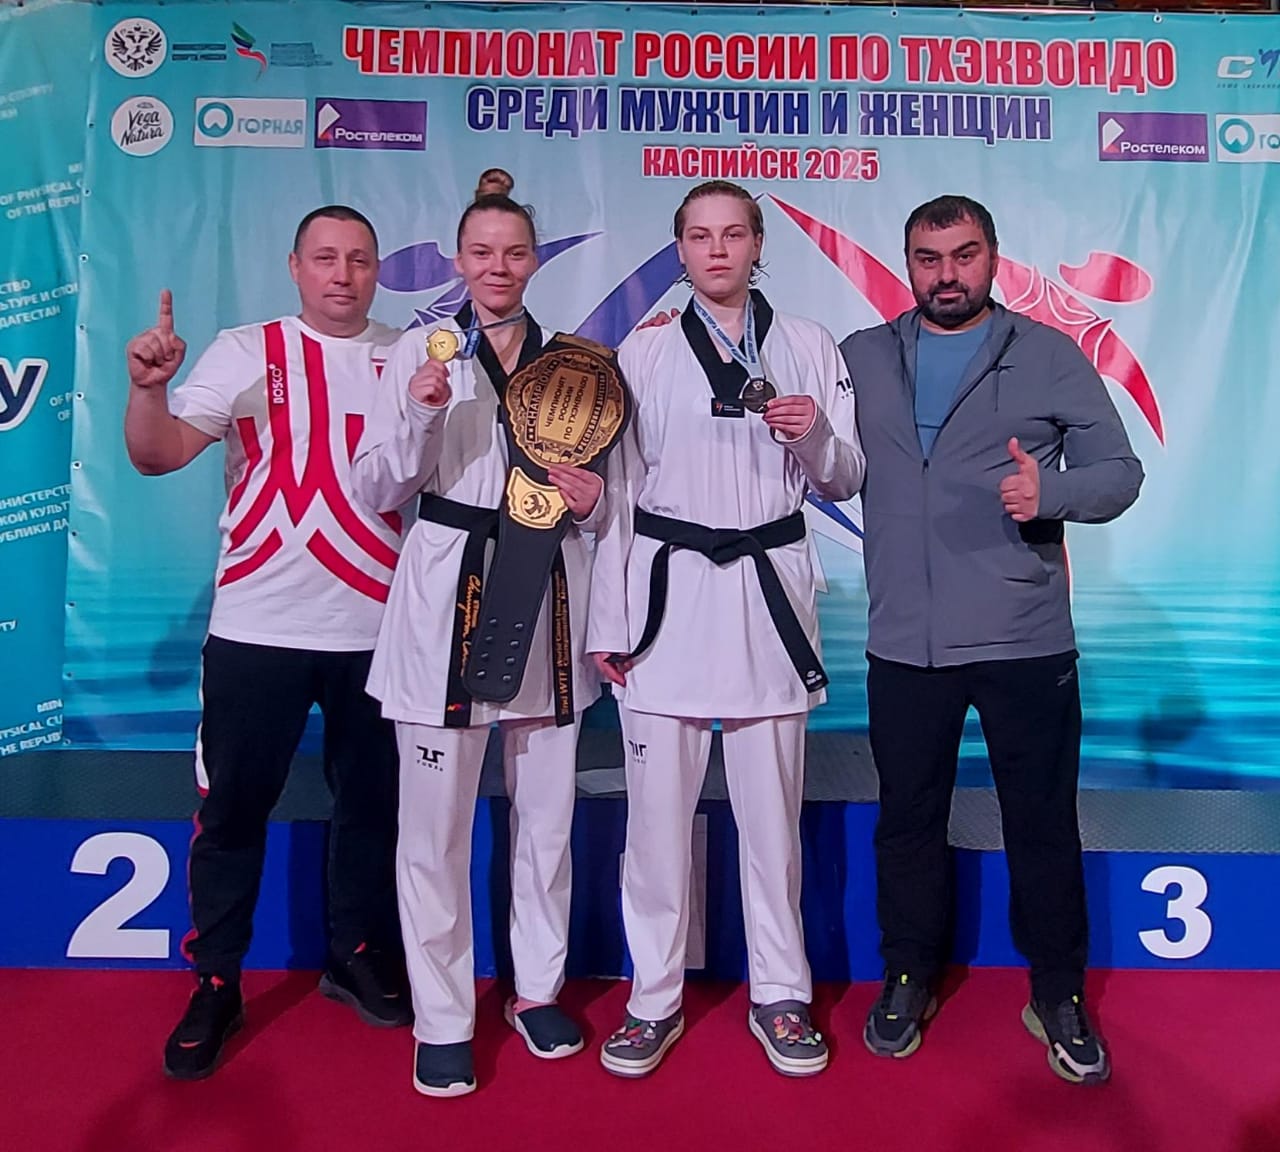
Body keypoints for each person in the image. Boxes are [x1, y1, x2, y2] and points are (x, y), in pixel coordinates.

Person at [840, 194, 1143, 1085]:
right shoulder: (860, 356)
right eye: (928, 258)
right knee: (906, 822)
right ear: (907, 264)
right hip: (905, 641)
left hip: (1023, 639)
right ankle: (907, 976)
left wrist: (1052, 496)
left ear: (994, 259)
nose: (947, 275)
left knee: (1041, 823)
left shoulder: (1048, 353)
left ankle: (1058, 991)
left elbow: (1119, 473)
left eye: (964, 255)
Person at [124, 205, 411, 1081]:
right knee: (232, 813)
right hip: (257, 627)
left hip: (380, 630)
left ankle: (354, 953)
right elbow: (157, 455)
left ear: (378, 270)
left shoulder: (413, 356)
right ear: (294, 267)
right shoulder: (245, 351)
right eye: (325, 258)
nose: (342, 274)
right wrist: (148, 390)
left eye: (358, 259)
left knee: (372, 808)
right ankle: (216, 980)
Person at [587, 180, 865, 1079]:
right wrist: (608, 620)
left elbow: (845, 476)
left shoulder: (808, 344)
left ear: (757, 245)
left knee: (772, 823)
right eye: (700, 236)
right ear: (679, 251)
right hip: (665, 602)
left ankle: (780, 994)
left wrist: (813, 435)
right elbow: (616, 494)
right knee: (654, 828)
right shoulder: (642, 349)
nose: (716, 249)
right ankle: (651, 999)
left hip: (765, 597)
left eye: (733, 234)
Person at [351, 186, 605, 1098]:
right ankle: (444, 1016)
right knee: (434, 832)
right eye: (482, 252)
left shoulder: (577, 365)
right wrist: (422, 411)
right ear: (458, 261)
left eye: (515, 252)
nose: (499, 268)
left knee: (547, 821)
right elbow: (376, 487)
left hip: (547, 598)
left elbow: (612, 495)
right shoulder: (417, 354)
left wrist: (595, 502)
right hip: (443, 597)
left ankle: (537, 990)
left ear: (535, 260)